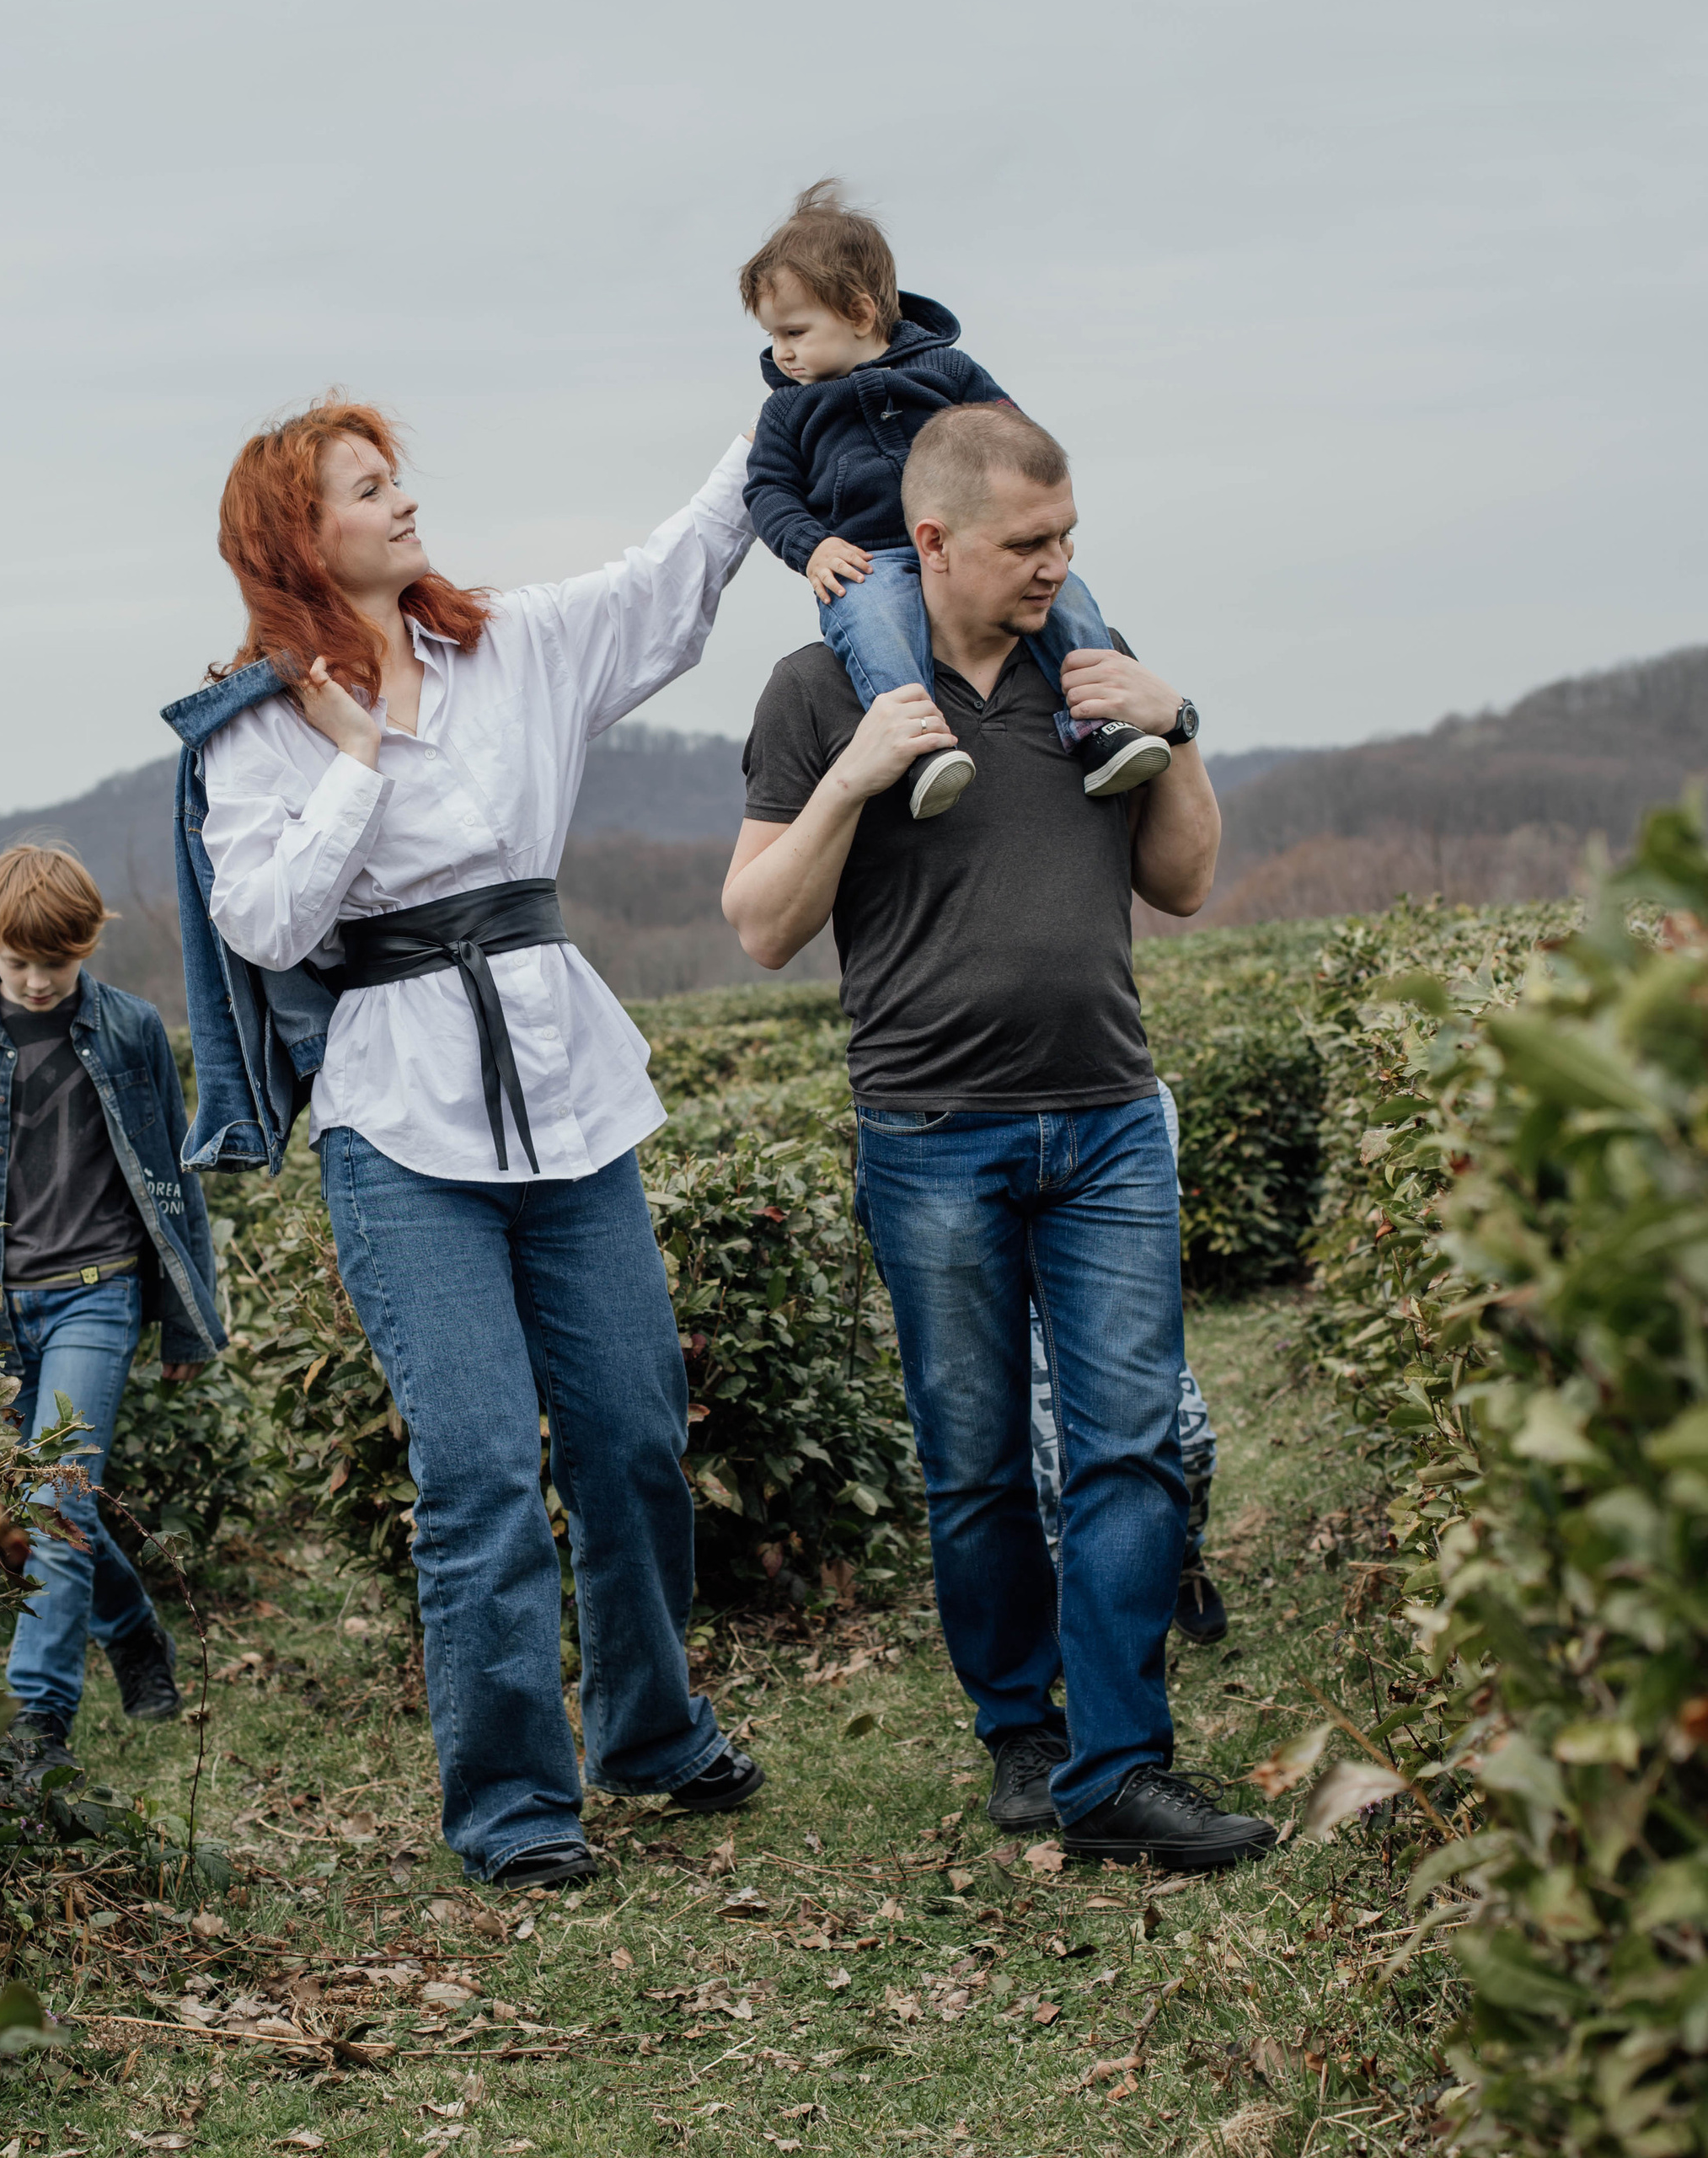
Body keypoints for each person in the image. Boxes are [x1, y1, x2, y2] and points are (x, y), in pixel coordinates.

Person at [162, 395, 766, 1893]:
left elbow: (673, 572)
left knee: (633, 1435)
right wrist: (357, 761)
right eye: (369, 489)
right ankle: (512, 1802)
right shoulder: (256, 728)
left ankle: (651, 1731)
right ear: (300, 539)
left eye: (396, 480)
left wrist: (792, 406)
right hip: (402, 1127)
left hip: (570, 1094)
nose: (405, 504)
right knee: (482, 1467)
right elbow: (265, 925)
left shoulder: (514, 648)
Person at [722, 399, 1273, 1871]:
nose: (1055, 564)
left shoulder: (1090, 673)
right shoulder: (822, 689)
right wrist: (856, 776)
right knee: (972, 1467)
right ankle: (1020, 1732)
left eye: (1068, 537)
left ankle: (1118, 1771)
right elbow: (763, 925)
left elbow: (1184, 884)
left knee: (1127, 1452)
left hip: (1108, 1123)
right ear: (935, 541)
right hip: (931, 1138)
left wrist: (1179, 729)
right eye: (1028, 543)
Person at [0, 843, 224, 1780]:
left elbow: (172, 1179)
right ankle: (131, 1631)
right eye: (19, 963)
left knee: (53, 1504)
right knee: (42, 1503)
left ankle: (35, 1724)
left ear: (88, 945)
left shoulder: (131, 1030)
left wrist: (187, 1318)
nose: (38, 981)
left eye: (57, 962)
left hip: (99, 1294)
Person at [741, 179, 1171, 822]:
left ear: (860, 312)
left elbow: (1014, 439)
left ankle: (1100, 727)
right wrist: (812, 547)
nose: (782, 352)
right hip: (869, 556)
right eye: (774, 336)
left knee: (1069, 598)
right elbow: (768, 490)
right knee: (873, 621)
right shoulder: (786, 409)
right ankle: (920, 751)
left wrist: (1040, 530)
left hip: (973, 547)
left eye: (796, 331)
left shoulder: (946, 370)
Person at [1029, 1086, 1229, 1647]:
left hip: (1106, 1303)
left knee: (1190, 1447)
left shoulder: (1147, 1098)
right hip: (1018, 1315)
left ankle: (1180, 1558)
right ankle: (1075, 1611)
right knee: (1054, 1477)